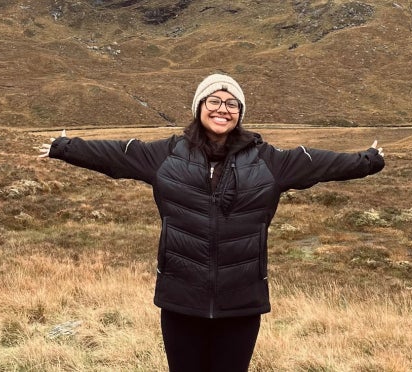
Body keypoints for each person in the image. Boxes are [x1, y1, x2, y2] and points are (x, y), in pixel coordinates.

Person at [38, 74, 385, 371]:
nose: (223, 108)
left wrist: (368, 161)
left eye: (232, 103)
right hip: (181, 297)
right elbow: (117, 155)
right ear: (199, 107)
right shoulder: (166, 155)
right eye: (215, 100)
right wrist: (63, 148)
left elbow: (319, 163)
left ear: (241, 113)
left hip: (242, 300)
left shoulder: (268, 161)